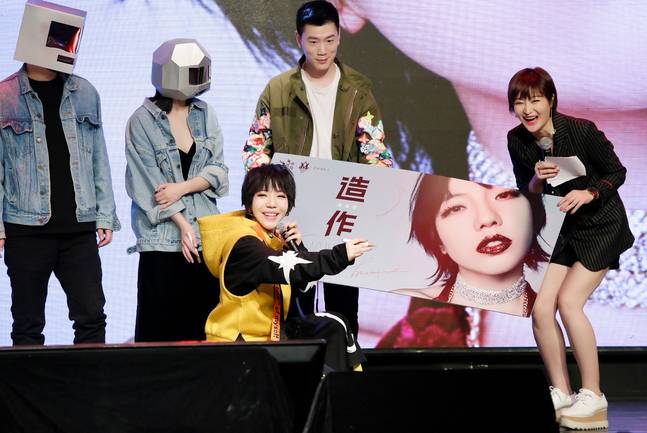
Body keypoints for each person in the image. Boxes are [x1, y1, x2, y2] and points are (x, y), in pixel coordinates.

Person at [241, 0, 393, 338]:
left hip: (342, 210)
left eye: (329, 40)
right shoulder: (278, 88)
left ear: (339, 37)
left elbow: (375, 152)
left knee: (343, 310)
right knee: (296, 306)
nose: (322, 50)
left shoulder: (358, 88)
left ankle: (345, 367)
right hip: (293, 213)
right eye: (313, 41)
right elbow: (256, 150)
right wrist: (270, 201)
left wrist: (374, 199)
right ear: (299, 39)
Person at [507, 67, 634, 430]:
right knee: (541, 307)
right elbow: (526, 190)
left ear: (551, 100)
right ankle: (562, 394)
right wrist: (536, 179)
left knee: (569, 302)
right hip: (560, 231)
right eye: (520, 102)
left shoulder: (581, 130)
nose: (527, 110)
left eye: (535, 100)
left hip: (600, 226)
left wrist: (590, 192)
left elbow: (617, 171)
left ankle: (593, 395)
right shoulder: (517, 140)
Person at [0, 1, 120, 345]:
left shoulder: (86, 93)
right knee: (27, 325)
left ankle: (91, 383)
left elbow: (99, 158)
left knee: (92, 318)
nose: (66, 46)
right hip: (25, 228)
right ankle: (27, 384)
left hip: (79, 228)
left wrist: (104, 214)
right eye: (59, 37)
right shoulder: (5, 97)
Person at [198, 164, 370, 372]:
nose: (272, 204)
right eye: (262, 195)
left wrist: (297, 247)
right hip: (239, 343)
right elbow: (286, 266)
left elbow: (302, 287)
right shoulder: (243, 242)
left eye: (280, 196)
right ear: (249, 203)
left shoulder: (270, 239)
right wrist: (339, 255)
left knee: (333, 324)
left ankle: (338, 390)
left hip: (270, 338)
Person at [125, 39, 229, 342]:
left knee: (203, 331)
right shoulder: (141, 121)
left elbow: (219, 173)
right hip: (162, 241)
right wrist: (183, 225)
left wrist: (181, 188)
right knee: (159, 333)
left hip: (205, 238)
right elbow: (147, 185)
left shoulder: (205, 114)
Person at [396, 175, 549, 317]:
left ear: (533, 211)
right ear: (437, 239)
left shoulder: (553, 314)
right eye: (457, 208)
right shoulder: (409, 307)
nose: (487, 219)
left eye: (504, 195)